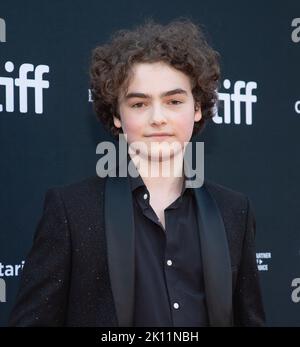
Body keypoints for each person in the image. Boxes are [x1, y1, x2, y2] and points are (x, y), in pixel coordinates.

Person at [9, 18, 265, 327]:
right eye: (140, 104)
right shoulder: (71, 212)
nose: (158, 118)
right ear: (117, 116)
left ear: (197, 108)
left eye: (173, 101)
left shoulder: (234, 211)